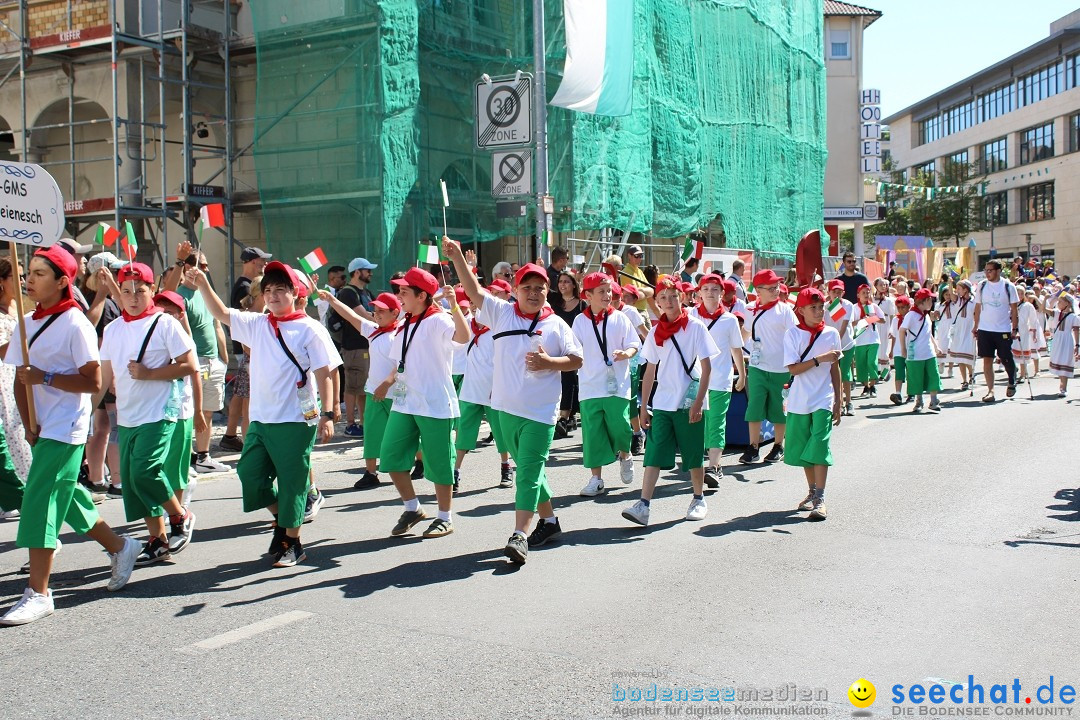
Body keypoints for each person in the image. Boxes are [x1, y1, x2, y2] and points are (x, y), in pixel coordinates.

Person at [0, 246, 140, 626]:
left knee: (39, 501)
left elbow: (92, 380)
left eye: (39, 273)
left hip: (68, 426)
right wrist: (29, 424)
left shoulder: (75, 323)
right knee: (68, 498)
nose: (29, 278)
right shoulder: (25, 322)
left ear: (63, 281)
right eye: (28, 272)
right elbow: (17, 378)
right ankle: (122, 546)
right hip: (42, 427)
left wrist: (45, 378)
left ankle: (40, 593)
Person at [191, 261, 340, 567]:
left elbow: (325, 371)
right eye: (268, 290)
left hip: (296, 420)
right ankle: (282, 519)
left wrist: (327, 413)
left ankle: (292, 541)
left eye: (280, 290)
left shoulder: (310, 328)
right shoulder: (258, 323)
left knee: (292, 483)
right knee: (250, 475)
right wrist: (203, 282)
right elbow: (220, 313)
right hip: (260, 419)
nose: (272, 296)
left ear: (294, 293)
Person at [446, 241, 583, 564]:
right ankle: (549, 522)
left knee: (528, 474)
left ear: (547, 292)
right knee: (531, 472)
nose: (533, 293)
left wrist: (550, 362)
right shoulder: (502, 312)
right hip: (505, 410)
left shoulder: (556, 324)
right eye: (527, 287)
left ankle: (519, 534)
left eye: (540, 288)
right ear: (516, 290)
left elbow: (577, 358)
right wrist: (457, 260)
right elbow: (473, 290)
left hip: (540, 414)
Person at [96, 263, 200, 564]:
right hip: (127, 415)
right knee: (134, 483)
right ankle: (157, 539)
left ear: (151, 290)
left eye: (139, 291)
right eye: (126, 291)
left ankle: (180, 517)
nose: (132, 297)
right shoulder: (112, 329)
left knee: (146, 470)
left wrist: (149, 373)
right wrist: (87, 413)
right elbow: (103, 379)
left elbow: (189, 364)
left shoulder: (165, 323)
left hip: (160, 411)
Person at [378, 266, 468, 539]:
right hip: (405, 403)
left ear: (421, 296)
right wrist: (388, 381)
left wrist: (453, 305)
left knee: (440, 463)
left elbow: (463, 337)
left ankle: (444, 517)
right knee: (391, 458)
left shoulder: (438, 320)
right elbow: (401, 362)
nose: (399, 295)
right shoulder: (405, 322)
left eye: (404, 291)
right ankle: (412, 508)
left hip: (434, 404)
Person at [622, 275, 717, 526]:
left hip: (689, 401)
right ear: (657, 303)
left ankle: (698, 498)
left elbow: (707, 369)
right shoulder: (655, 331)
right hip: (663, 403)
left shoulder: (696, 327)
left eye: (673, 296)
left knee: (693, 454)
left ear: (682, 298)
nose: (668, 301)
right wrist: (643, 407)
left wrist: (699, 402)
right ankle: (643, 504)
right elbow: (649, 371)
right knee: (653, 452)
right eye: (662, 297)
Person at [319, 289, 402, 490]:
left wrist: (387, 384)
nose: (377, 313)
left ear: (395, 313)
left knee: (403, 433)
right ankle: (371, 473)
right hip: (374, 392)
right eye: (375, 309)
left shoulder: (402, 334)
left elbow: (401, 365)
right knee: (372, 433)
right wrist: (332, 300)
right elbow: (351, 315)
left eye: (382, 310)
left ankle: (418, 462)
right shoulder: (372, 330)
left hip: (397, 395)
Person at [162, 244, 234, 469]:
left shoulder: (205, 292)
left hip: (213, 361)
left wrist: (223, 356)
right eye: (201, 265)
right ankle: (185, 458)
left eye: (206, 265)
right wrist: (180, 262)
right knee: (188, 412)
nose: (206, 268)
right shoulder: (179, 296)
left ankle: (203, 457)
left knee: (208, 410)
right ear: (189, 268)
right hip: (195, 361)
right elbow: (167, 293)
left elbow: (217, 323)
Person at [572, 273, 640, 497]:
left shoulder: (620, 318)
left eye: (609, 291)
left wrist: (625, 354)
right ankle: (596, 479)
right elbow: (574, 349)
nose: (607, 295)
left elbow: (634, 344)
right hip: (590, 385)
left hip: (617, 385)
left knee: (620, 424)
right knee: (593, 434)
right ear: (588, 295)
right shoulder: (580, 321)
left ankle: (626, 453)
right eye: (601, 291)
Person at [783, 288, 842, 521]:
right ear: (801, 310)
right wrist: (819, 359)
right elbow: (793, 369)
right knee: (806, 447)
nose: (819, 312)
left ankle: (820, 498)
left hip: (823, 399)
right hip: (799, 399)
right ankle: (811, 491)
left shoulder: (831, 333)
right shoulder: (792, 334)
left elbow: (835, 368)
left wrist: (839, 399)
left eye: (821, 307)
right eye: (813, 308)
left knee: (819, 445)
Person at [452, 280, 515, 491]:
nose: (475, 308)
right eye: (473, 304)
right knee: (463, 433)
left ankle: (506, 467)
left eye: (480, 305)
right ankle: (455, 471)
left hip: (493, 389)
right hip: (470, 389)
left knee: (500, 432)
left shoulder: (498, 329)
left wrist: (499, 385)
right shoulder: (465, 327)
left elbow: (503, 361)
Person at [691, 275, 745, 486]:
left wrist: (742, 373)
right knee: (699, 423)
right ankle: (699, 463)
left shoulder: (730, 320)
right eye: (706, 288)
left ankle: (714, 466)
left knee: (716, 423)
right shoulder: (691, 315)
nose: (711, 292)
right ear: (699, 293)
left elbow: (736, 348)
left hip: (721, 379)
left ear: (722, 294)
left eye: (715, 289)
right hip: (695, 381)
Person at [740, 269, 796, 464]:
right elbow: (745, 333)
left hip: (782, 369)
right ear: (758, 290)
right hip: (757, 367)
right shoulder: (749, 309)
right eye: (771, 288)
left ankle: (778, 445)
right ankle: (753, 447)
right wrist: (734, 350)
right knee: (754, 406)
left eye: (777, 287)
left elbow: (796, 336)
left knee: (780, 410)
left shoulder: (785, 310)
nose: (776, 291)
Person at [223, 246, 272, 445]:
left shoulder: (246, 286)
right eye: (261, 261)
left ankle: (231, 435)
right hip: (249, 355)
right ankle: (244, 440)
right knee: (248, 403)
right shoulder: (245, 288)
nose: (264, 265)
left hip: (249, 355)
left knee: (242, 397)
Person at [337, 257, 378, 438]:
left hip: (366, 344)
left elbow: (375, 313)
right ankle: (350, 424)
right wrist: (379, 318)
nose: (370, 273)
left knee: (363, 387)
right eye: (367, 270)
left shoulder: (367, 292)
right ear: (357, 272)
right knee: (353, 386)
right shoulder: (347, 293)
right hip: (354, 346)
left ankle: (363, 422)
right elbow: (363, 315)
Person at [0, 257, 32, 483]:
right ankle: (15, 489)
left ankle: (26, 484)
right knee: (11, 430)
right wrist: (26, 341)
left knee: (23, 428)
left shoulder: (25, 306)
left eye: (24, 276)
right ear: (2, 281)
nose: (22, 281)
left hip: (22, 376)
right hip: (4, 379)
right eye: (16, 276)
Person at [972, 259, 1019, 403]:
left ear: (998, 271)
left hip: (1003, 329)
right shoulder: (982, 285)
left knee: (1005, 358)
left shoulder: (1008, 286)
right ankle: (990, 391)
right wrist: (976, 326)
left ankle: (1012, 378)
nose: (987, 273)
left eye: (990, 270)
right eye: (986, 270)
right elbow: (978, 307)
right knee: (987, 360)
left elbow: (1014, 310)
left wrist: (1015, 328)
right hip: (985, 329)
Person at [614, 284, 648, 455]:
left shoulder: (630, 312)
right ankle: (618, 438)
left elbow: (645, 333)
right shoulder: (602, 313)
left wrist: (659, 352)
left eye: (616, 296)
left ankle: (637, 433)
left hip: (633, 360)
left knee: (629, 399)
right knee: (614, 399)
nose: (612, 299)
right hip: (613, 361)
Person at [899, 288, 944, 413]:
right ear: (922, 301)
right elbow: (902, 330)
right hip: (915, 353)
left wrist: (936, 346)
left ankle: (934, 400)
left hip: (929, 352)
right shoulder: (911, 315)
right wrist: (903, 348)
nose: (932, 303)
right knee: (916, 378)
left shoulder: (926, 316)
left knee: (933, 376)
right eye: (930, 300)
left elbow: (928, 334)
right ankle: (919, 401)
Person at [552, 271, 584, 438]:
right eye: (560, 282)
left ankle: (565, 416)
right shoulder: (554, 303)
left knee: (569, 378)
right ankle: (566, 415)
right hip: (555, 345)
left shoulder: (582, 305)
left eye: (566, 281)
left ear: (573, 284)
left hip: (575, 347)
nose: (562, 284)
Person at [823, 279, 854, 415]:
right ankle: (837, 402)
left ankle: (849, 403)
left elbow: (844, 324)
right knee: (833, 374)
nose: (837, 294)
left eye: (839, 292)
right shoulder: (824, 306)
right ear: (829, 292)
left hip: (846, 344)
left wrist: (838, 342)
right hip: (831, 346)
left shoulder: (847, 305)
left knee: (845, 373)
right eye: (834, 291)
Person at [852, 284, 885, 397]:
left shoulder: (874, 307)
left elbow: (883, 319)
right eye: (863, 293)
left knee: (871, 362)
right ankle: (866, 386)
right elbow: (850, 322)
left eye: (868, 292)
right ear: (858, 295)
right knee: (861, 364)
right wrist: (861, 321)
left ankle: (873, 385)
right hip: (860, 340)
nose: (866, 295)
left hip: (873, 339)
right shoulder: (854, 308)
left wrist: (870, 319)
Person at [1046, 292, 1079, 397]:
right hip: (1057, 340)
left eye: (1060, 302)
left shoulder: (1073, 316)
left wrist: (1077, 345)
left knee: (1065, 361)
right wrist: (1045, 299)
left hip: (1067, 340)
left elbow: (1076, 331)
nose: (1058, 303)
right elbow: (1043, 309)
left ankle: (1063, 388)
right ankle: (1062, 386)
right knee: (1059, 361)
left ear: (1067, 303)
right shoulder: (1056, 313)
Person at [946, 280, 976, 390]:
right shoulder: (958, 300)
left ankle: (971, 374)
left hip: (969, 330)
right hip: (959, 330)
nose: (957, 291)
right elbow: (952, 295)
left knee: (966, 355)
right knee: (959, 357)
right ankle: (964, 381)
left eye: (959, 289)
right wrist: (950, 284)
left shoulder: (974, 301)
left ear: (966, 290)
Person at [1011, 290, 1040, 383]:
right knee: (1011, 353)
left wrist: (1034, 331)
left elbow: (1033, 319)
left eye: (1021, 294)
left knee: (1022, 352)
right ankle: (1013, 373)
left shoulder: (1028, 306)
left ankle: (1023, 374)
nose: (1019, 295)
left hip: (1023, 331)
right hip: (1012, 330)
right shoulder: (1011, 304)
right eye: (1017, 293)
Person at [873, 278, 896, 381]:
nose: (883, 287)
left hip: (886, 324)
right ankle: (877, 371)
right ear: (876, 286)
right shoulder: (872, 300)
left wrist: (892, 329)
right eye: (881, 285)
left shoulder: (889, 301)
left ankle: (886, 371)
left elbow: (892, 316)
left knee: (885, 348)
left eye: (885, 285)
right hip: (875, 324)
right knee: (877, 348)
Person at [622, 245, 654, 311]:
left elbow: (651, 291)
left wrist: (640, 290)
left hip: (643, 310)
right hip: (634, 310)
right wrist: (646, 292)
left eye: (641, 256)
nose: (639, 259)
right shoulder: (626, 272)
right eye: (636, 256)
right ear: (629, 256)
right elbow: (633, 296)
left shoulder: (639, 271)